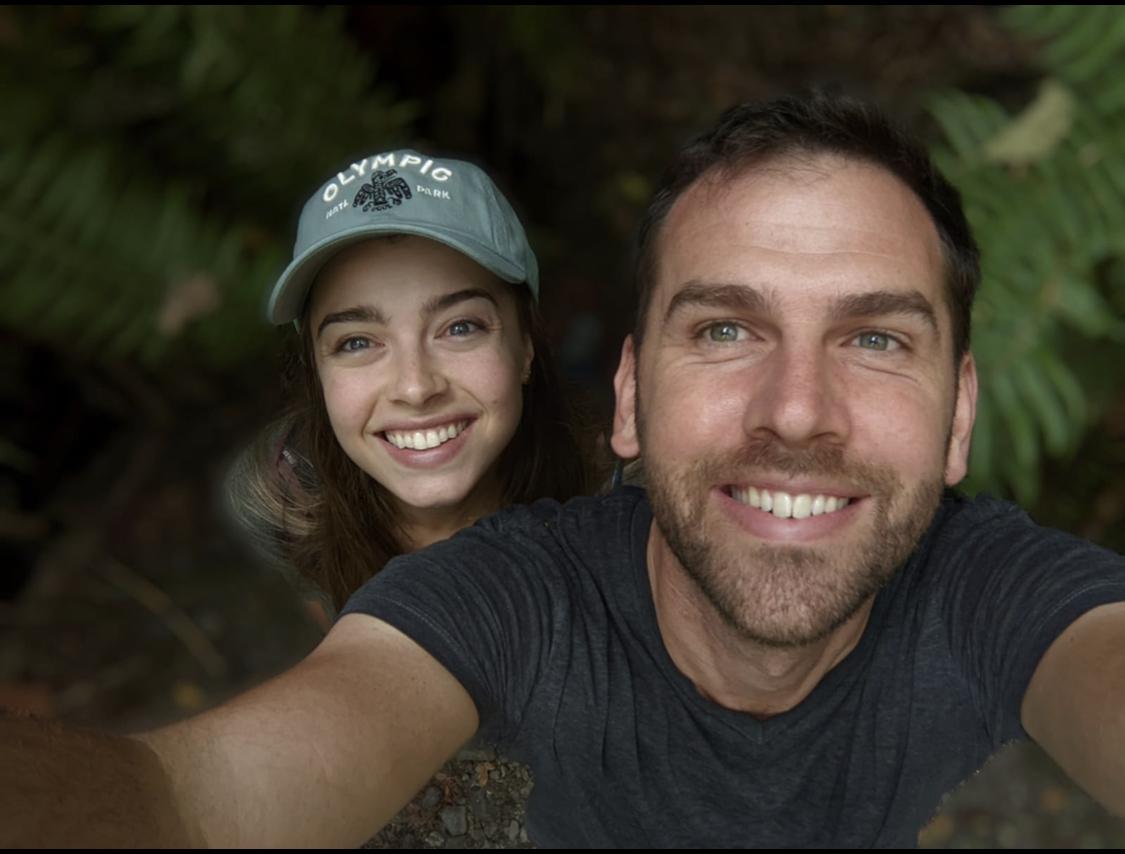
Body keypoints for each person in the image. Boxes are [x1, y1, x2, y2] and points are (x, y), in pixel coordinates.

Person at [5, 93, 1125, 848]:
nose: (797, 410)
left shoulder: (986, 586)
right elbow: (197, 799)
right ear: (634, 391)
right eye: (725, 329)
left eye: (875, 337)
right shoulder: (338, 516)